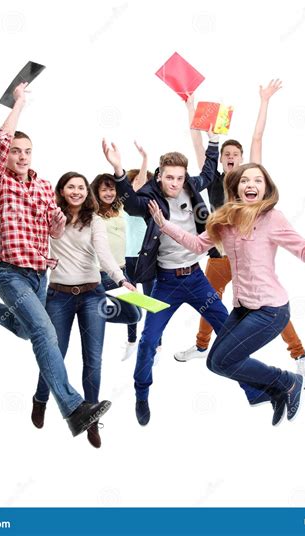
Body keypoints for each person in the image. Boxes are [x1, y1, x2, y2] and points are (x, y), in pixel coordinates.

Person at [149, 163, 305, 425]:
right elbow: (197, 245)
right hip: (242, 307)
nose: (251, 185)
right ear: (236, 187)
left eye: (258, 181)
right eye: (245, 180)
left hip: (271, 310)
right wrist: (164, 224)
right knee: (215, 362)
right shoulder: (225, 220)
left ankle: (288, 382)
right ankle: (276, 392)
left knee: (225, 360)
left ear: (266, 188)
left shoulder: (273, 219)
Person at [0, 83, 111, 438]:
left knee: (24, 329)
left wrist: (59, 220)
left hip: (39, 277)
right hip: (10, 274)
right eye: (15, 151)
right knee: (44, 332)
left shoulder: (44, 186)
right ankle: (74, 409)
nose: (21, 156)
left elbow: (54, 229)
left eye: (27, 151)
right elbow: (0, 141)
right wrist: (19, 104)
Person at [176, 81, 305, 391]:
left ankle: (300, 354)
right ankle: (202, 347)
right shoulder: (212, 177)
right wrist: (190, 105)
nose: (230, 156)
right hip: (218, 255)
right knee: (208, 301)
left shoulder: (250, 180)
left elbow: (257, 136)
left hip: (251, 260)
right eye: (226, 152)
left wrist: (264, 100)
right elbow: (197, 140)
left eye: (235, 154)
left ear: (241, 160)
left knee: (269, 309)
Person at [102, 135, 229, 426]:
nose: (174, 183)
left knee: (229, 328)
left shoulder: (191, 187)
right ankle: (141, 393)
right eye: (169, 177)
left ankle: (254, 383)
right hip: (166, 282)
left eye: (179, 178)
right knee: (148, 341)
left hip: (196, 277)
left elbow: (209, 173)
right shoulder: (151, 197)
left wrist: (213, 142)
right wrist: (119, 170)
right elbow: (131, 204)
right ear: (160, 176)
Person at [31, 172, 136, 447]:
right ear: (62, 191)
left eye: (80, 187)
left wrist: (121, 279)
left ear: (86, 192)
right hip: (59, 296)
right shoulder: (51, 217)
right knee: (55, 354)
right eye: (70, 187)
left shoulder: (95, 220)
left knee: (93, 358)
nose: (76, 191)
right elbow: (36, 245)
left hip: (92, 294)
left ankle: (89, 416)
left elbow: (104, 254)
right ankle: (41, 398)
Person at [123, 142, 161, 361]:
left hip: (146, 258)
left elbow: (141, 184)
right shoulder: (127, 203)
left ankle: (155, 343)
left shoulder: (150, 205)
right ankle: (131, 340)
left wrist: (145, 160)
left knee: (150, 301)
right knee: (130, 301)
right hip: (127, 257)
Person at [90, 174, 142, 328]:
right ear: (96, 192)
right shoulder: (92, 213)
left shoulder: (119, 207)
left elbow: (138, 184)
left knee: (137, 315)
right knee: (131, 315)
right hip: (105, 272)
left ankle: (89, 311)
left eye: (112, 189)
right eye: (104, 190)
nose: (109, 193)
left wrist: (145, 158)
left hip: (122, 269)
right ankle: (87, 312)